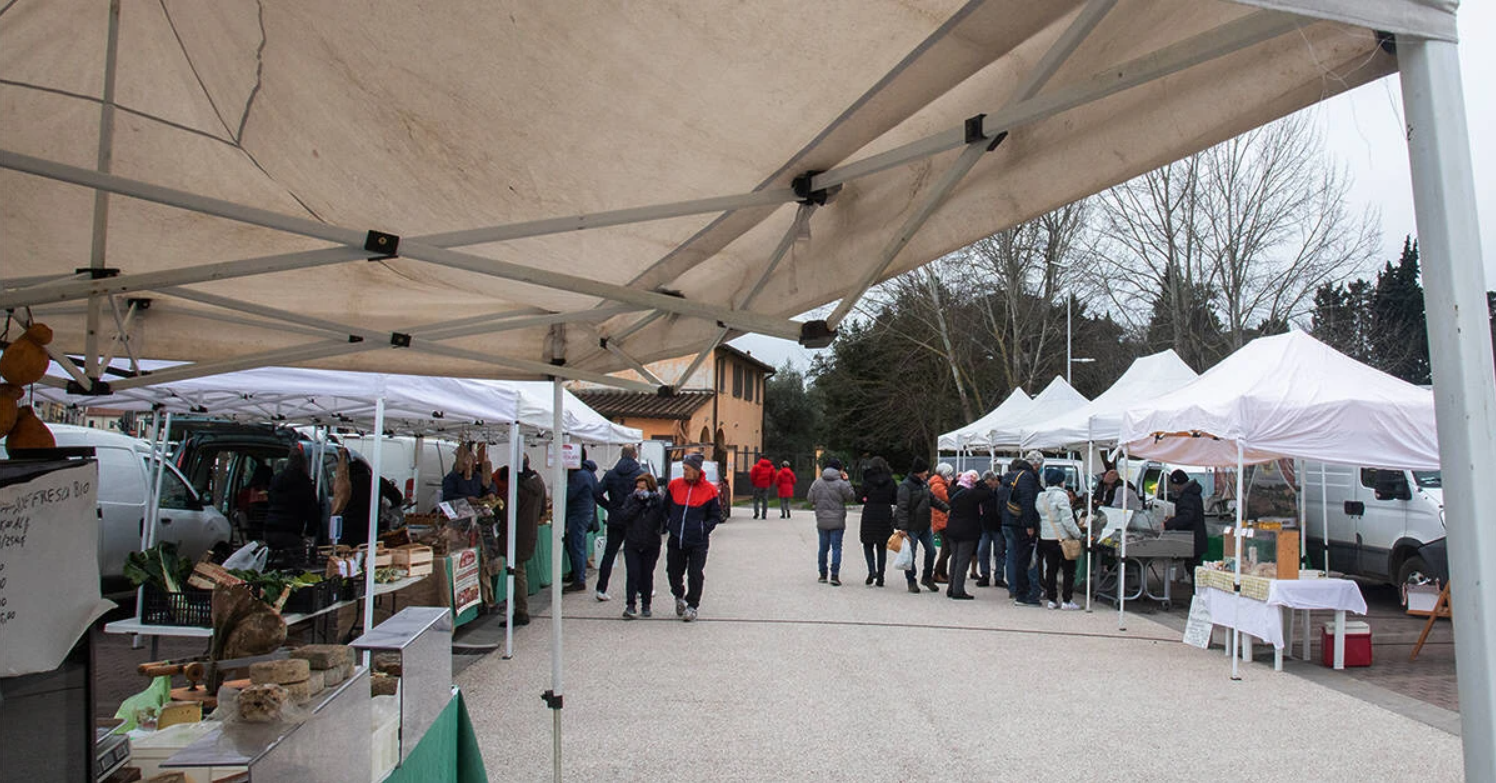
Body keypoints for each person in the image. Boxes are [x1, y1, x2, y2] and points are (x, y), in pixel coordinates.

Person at [664, 453, 722, 622]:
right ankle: (678, 595)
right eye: (683, 469)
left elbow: (715, 515)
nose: (684, 472)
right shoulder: (675, 486)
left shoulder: (709, 490)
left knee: (695, 573)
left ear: (697, 470)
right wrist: (669, 523)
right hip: (676, 538)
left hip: (698, 540)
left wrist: (704, 529)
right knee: (673, 572)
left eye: (687, 469)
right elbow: (665, 508)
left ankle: (692, 605)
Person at [594, 446, 646, 602]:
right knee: (635, 555)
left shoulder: (611, 474)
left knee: (609, 554)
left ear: (622, 455)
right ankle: (637, 589)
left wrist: (609, 506)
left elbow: (596, 492)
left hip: (615, 517)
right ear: (635, 455)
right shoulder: (640, 474)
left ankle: (601, 588)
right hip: (634, 520)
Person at [499, 454, 545, 627]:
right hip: (529, 532)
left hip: (516, 533)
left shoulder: (518, 487)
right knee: (520, 571)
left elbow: (508, 514)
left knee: (517, 572)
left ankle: (521, 610)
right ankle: (520, 609)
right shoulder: (537, 481)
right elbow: (541, 510)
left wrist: (498, 516)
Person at [893, 457, 948, 593]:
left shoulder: (924, 484)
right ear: (918, 472)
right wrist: (903, 528)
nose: (927, 473)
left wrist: (946, 508)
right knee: (910, 555)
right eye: (925, 471)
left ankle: (927, 577)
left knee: (931, 551)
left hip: (924, 525)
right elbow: (902, 507)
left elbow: (933, 499)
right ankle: (911, 581)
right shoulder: (906, 486)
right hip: (911, 527)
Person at [616, 473, 666, 619]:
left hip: (651, 543)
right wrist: (638, 504)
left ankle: (646, 605)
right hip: (633, 542)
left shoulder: (657, 501)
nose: (640, 490)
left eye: (643, 487)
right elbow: (624, 516)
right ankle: (630, 605)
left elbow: (663, 519)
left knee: (647, 574)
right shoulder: (631, 499)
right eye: (638, 487)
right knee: (633, 573)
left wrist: (659, 528)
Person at [944, 470, 998, 600]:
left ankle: (951, 588)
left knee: (955, 559)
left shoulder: (953, 491)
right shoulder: (972, 494)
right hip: (967, 530)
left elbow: (951, 486)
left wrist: (957, 480)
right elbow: (989, 494)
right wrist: (979, 481)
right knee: (963, 561)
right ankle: (958, 590)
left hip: (952, 528)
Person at [1038, 468, 1084, 610]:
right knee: (1068, 570)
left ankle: (1052, 599)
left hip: (1046, 536)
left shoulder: (1041, 496)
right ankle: (1067, 599)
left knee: (1051, 569)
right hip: (1062, 537)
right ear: (1061, 482)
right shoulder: (1061, 496)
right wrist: (1078, 534)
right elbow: (1067, 520)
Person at [261, 447, 320, 556]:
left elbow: (271, 500)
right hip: (290, 532)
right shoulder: (304, 484)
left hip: (269, 530)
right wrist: (310, 533)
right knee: (298, 559)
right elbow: (313, 510)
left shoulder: (276, 479)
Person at [1003, 452, 1044, 606]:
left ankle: (1018, 590)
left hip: (1013, 521)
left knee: (1016, 556)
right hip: (1023, 523)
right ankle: (1025, 594)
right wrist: (1029, 525)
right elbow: (1027, 501)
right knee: (1025, 558)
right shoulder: (1027, 477)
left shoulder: (1015, 475)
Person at [807, 459, 857, 585]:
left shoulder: (817, 483)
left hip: (822, 519)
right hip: (838, 520)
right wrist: (847, 481)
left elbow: (809, 499)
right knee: (836, 548)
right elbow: (851, 497)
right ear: (839, 469)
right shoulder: (841, 483)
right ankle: (834, 575)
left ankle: (822, 574)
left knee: (823, 548)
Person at [563, 449, 600, 594]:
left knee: (576, 546)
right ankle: (577, 574)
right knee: (579, 545)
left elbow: (569, 494)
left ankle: (579, 579)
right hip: (585, 512)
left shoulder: (580, 476)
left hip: (578, 513)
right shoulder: (590, 474)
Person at [858, 457, 897, 586]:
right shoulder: (890, 481)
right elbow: (895, 498)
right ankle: (881, 576)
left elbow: (858, 498)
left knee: (867, 544)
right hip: (885, 513)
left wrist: (865, 498)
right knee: (882, 546)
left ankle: (871, 570)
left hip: (870, 512)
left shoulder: (867, 481)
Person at [1163, 469, 1208, 571]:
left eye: (1173, 484)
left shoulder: (1187, 496)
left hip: (1192, 539)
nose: (1173, 488)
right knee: (1193, 567)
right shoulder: (1193, 493)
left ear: (1177, 483)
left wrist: (1169, 524)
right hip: (1197, 537)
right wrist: (1174, 519)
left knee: (1192, 568)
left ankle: (1195, 587)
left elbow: (1187, 517)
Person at [975, 468, 1007, 588]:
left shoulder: (1001, 490)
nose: (988, 486)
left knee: (999, 552)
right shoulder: (984, 491)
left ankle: (999, 576)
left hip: (998, 525)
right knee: (983, 551)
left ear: (994, 480)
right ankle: (985, 575)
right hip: (985, 525)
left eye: (989, 484)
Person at [929, 463, 954, 583]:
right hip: (942, 520)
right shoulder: (938, 486)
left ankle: (941, 572)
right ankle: (938, 572)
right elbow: (948, 498)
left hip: (942, 519)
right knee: (947, 548)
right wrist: (951, 485)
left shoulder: (938, 484)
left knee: (946, 548)